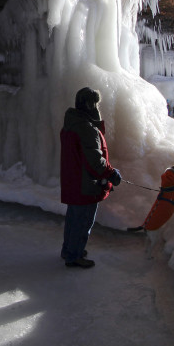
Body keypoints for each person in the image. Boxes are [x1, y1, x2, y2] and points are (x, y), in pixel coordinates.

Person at [59, 87, 121, 268]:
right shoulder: (86, 129)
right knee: (83, 221)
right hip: (85, 184)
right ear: (88, 104)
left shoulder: (72, 123)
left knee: (73, 219)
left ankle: (68, 249)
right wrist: (111, 173)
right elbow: (95, 160)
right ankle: (74, 255)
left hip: (73, 181)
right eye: (94, 103)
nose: (96, 107)